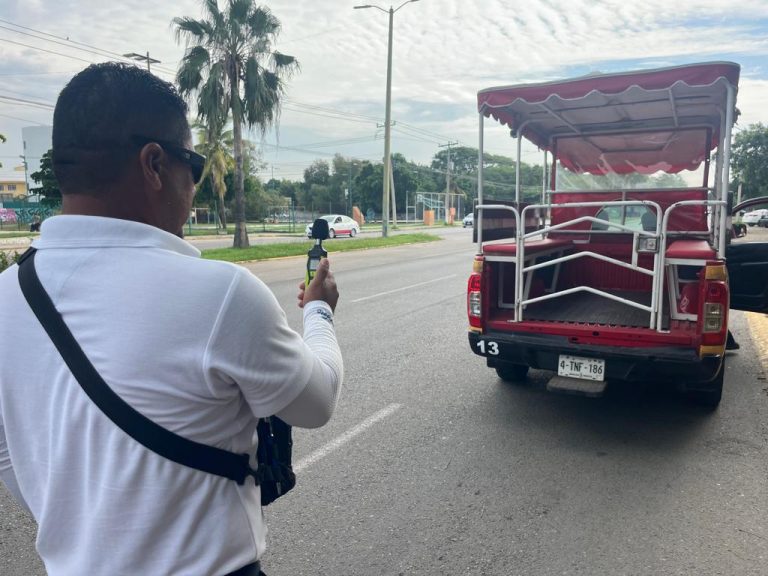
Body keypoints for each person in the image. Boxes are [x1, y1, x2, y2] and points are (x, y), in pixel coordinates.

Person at [0, 63, 343, 576]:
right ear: (154, 164)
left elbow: (10, 455)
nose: (195, 184)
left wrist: (87, 530)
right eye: (195, 164)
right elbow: (316, 403)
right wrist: (319, 311)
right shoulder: (220, 293)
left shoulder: (7, 297)